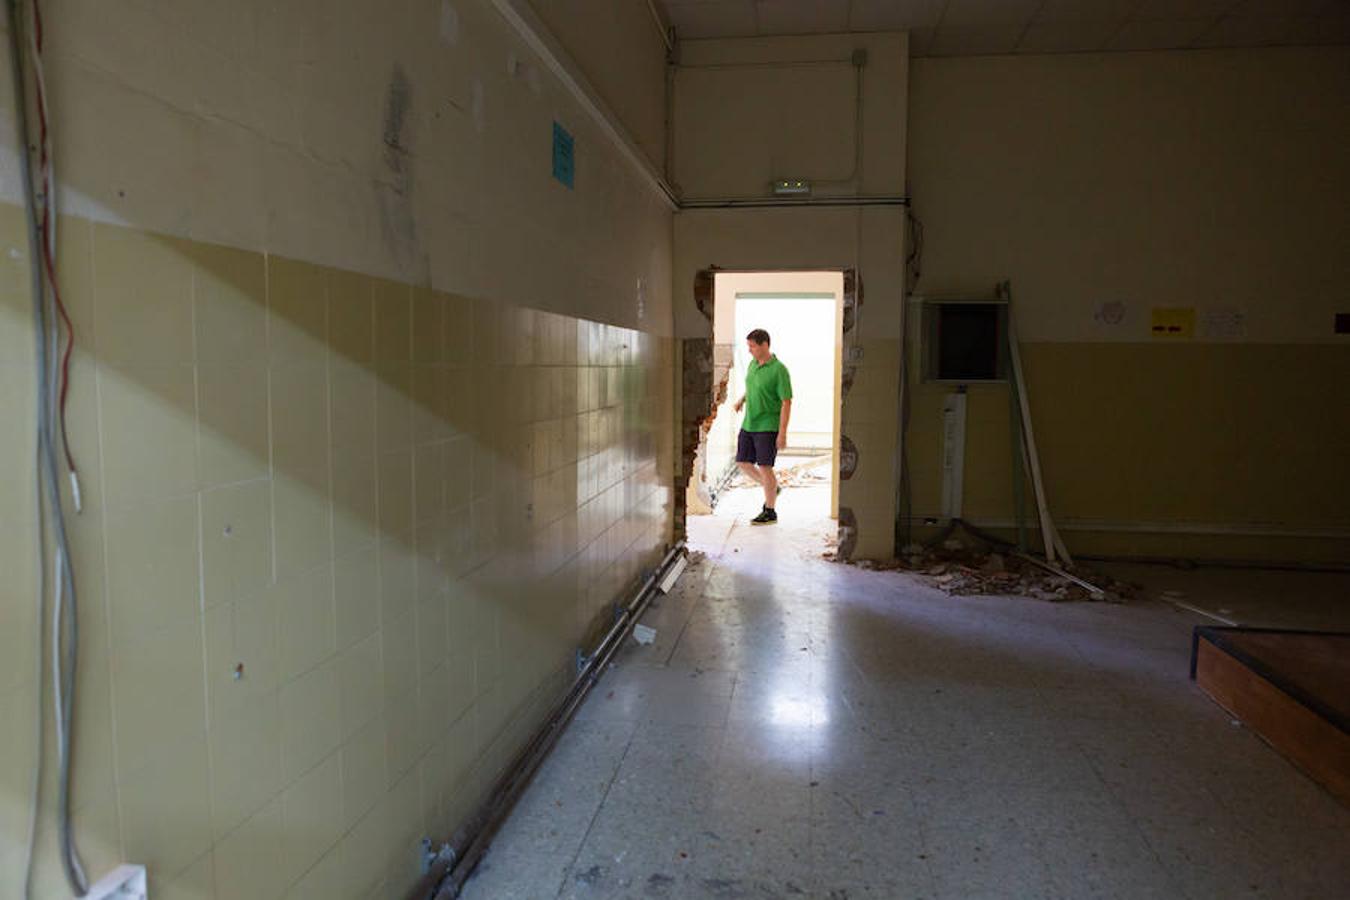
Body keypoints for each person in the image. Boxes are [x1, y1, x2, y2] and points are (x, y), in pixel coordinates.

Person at [734, 328, 792, 525]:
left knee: (765, 467)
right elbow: (752, 386)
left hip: (767, 425)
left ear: (764, 345)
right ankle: (772, 487)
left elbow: (786, 402)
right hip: (749, 422)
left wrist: (782, 433)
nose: (749, 350)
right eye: (748, 346)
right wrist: (742, 400)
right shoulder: (752, 364)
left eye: (752, 346)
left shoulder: (779, 370)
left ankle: (770, 510)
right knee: (742, 461)